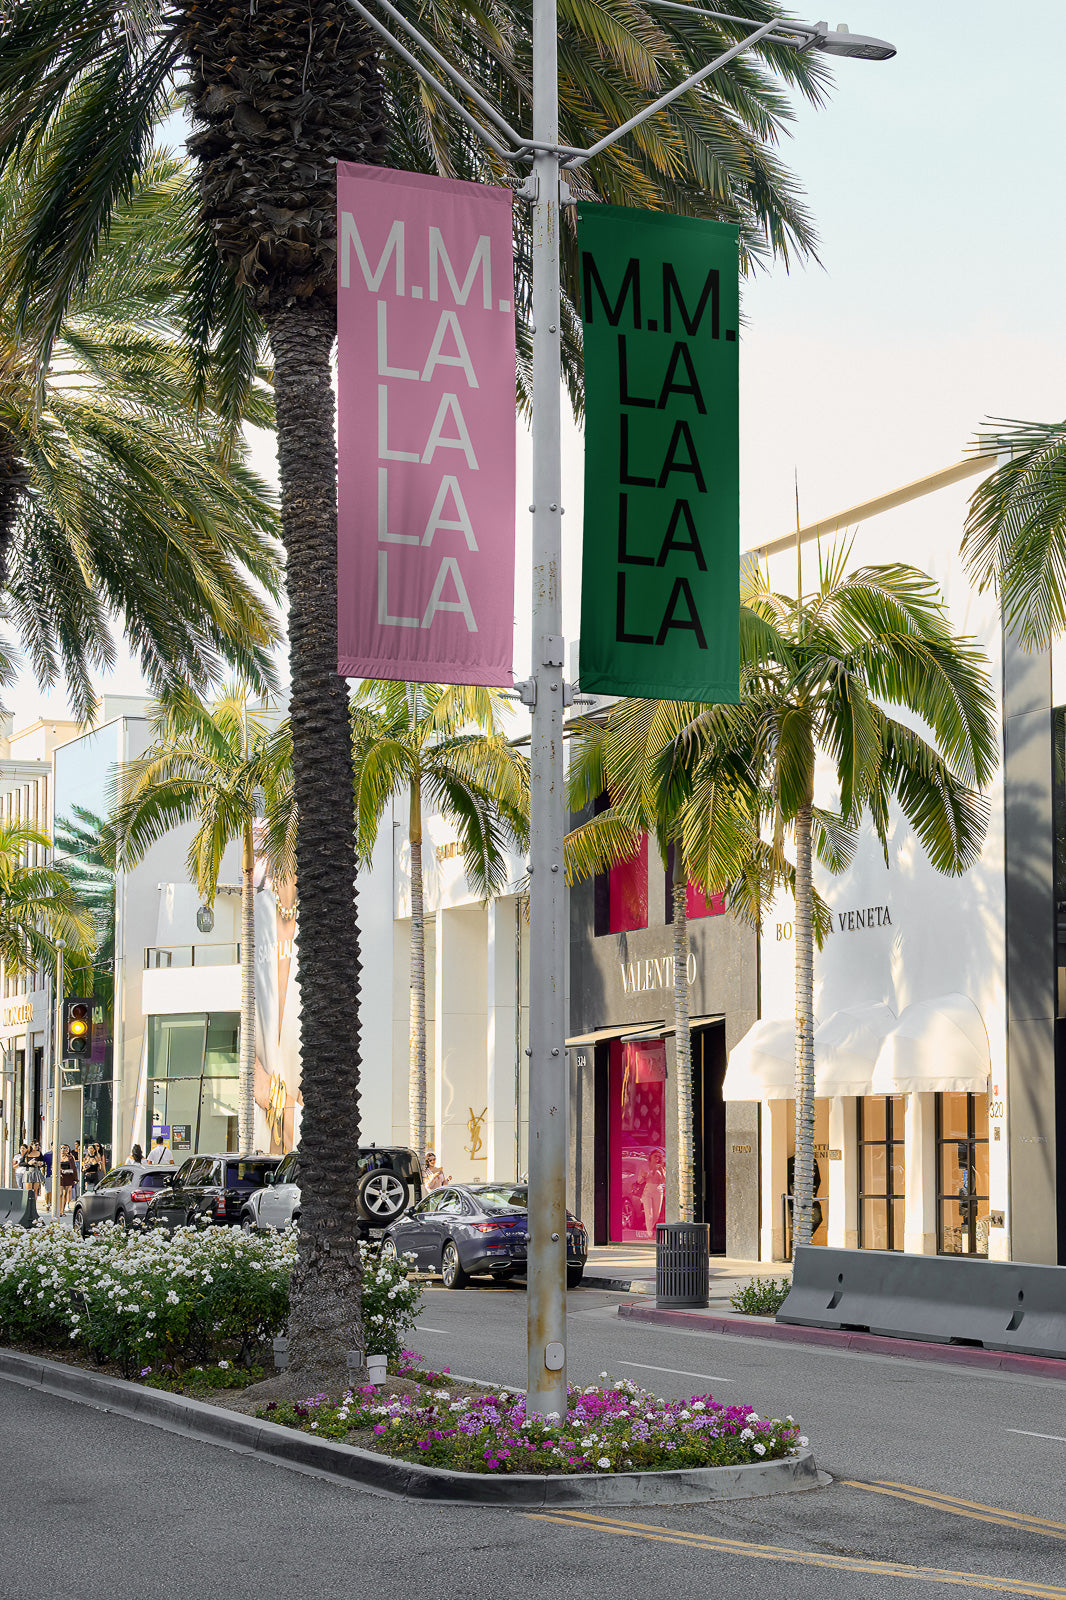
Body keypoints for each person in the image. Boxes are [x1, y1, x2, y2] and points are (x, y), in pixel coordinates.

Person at [640, 1148, 666, 1238]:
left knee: (656, 1215)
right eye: (655, 1156)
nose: (657, 1158)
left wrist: (662, 1171)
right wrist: (643, 1176)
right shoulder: (645, 1167)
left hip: (658, 1190)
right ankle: (649, 1233)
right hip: (647, 1190)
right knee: (649, 1214)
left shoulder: (661, 1167)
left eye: (659, 1157)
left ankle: (649, 1229)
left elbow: (664, 1181)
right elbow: (639, 1181)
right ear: (650, 1156)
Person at [58, 1144, 78, 1215]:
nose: (64, 1150)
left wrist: (75, 1178)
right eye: (62, 1148)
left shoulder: (70, 1157)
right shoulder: (57, 1157)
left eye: (66, 1148)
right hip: (60, 1176)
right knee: (60, 1194)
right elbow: (53, 1166)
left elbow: (74, 1168)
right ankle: (59, 1210)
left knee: (65, 1194)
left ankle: (62, 1211)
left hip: (68, 1176)